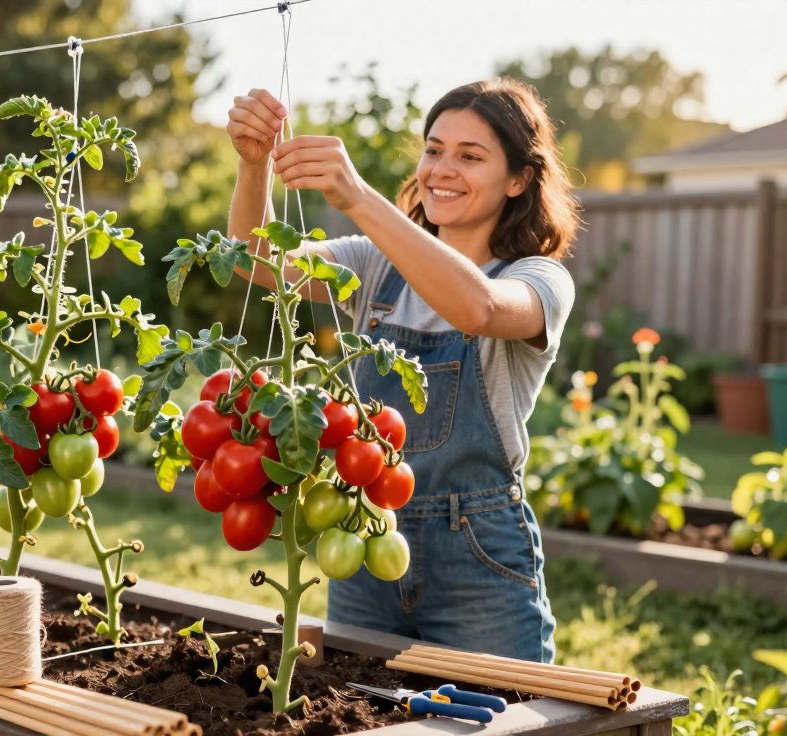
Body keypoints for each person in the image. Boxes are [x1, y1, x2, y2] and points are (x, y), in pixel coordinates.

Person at [223, 79, 581, 663]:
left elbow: (479, 308)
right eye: (434, 149)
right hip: (362, 538)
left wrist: (357, 196)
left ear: (518, 179)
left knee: (501, 721)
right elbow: (257, 262)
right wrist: (254, 165)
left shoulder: (537, 279)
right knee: (366, 714)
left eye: (471, 156)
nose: (442, 169)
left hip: (478, 557)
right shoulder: (373, 264)